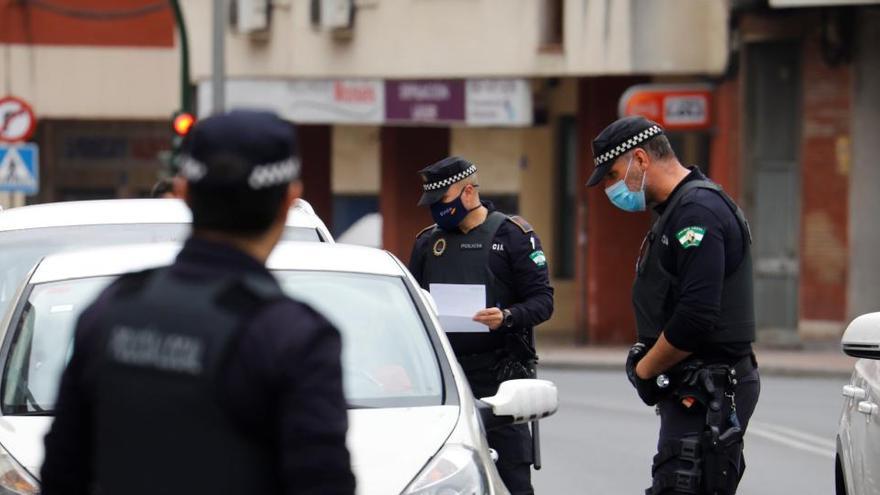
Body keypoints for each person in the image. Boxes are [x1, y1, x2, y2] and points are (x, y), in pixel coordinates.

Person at [41, 110, 356, 495]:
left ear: (184, 192)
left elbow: (61, 472)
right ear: (289, 201)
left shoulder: (110, 309)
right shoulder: (295, 339)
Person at [586, 116, 760, 494]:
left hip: (710, 387)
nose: (611, 189)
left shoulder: (697, 212)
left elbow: (696, 317)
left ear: (640, 160)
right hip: (693, 387)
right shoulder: (677, 210)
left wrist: (645, 369)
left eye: (614, 175)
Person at [408, 156, 554, 495]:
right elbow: (410, 305)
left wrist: (508, 317)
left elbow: (543, 302)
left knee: (513, 477)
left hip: (501, 377)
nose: (436, 211)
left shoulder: (513, 236)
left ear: (469, 191)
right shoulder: (428, 243)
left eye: (442, 201)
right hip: (443, 378)